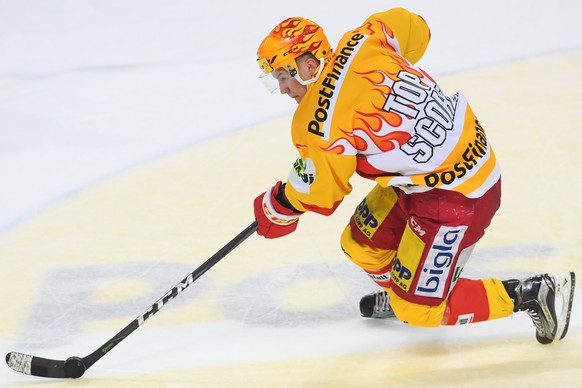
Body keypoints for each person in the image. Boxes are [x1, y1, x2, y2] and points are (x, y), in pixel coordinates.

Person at [252, 7, 575, 343]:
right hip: (440, 167)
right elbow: (414, 27)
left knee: (417, 311)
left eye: (283, 77)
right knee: (361, 245)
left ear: (308, 65)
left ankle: (531, 294)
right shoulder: (365, 38)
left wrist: (278, 206)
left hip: (458, 195)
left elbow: (321, 193)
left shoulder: (318, 123)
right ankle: (404, 290)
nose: (284, 90)